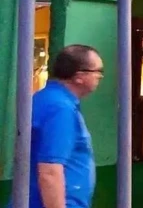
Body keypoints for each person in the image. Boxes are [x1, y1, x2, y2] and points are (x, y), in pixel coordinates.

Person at [23, 45, 104, 208]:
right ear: (79, 76)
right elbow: (50, 172)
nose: (100, 76)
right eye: (97, 71)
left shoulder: (47, 99)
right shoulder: (60, 108)